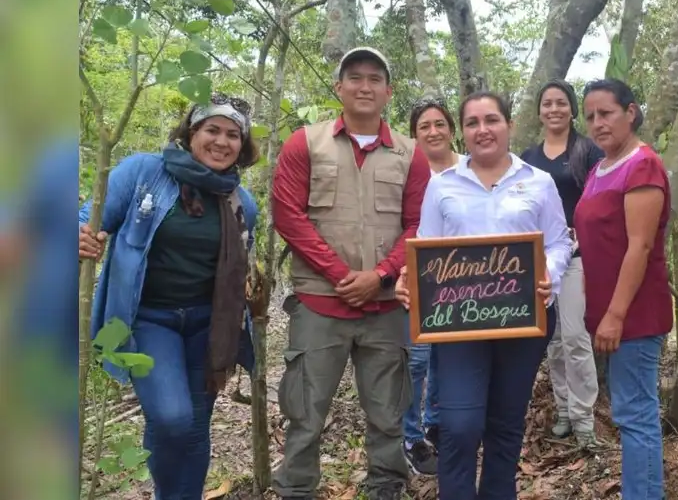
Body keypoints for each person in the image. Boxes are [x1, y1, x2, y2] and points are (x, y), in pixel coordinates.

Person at [78, 94, 260, 499]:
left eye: (233, 135)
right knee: (172, 418)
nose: (222, 141)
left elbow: (236, 275)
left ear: (242, 146)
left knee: (195, 429)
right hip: (147, 317)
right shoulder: (144, 172)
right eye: (212, 130)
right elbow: (92, 220)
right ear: (191, 133)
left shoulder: (242, 203)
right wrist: (80, 236)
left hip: (207, 325)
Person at [270, 47, 431, 500]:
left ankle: (387, 488)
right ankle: (297, 490)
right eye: (354, 78)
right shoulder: (305, 142)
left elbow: (419, 223)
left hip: (385, 307)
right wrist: (343, 275)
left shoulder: (410, 153)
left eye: (374, 79)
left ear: (388, 92)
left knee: (388, 412)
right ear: (339, 88)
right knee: (304, 413)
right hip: (319, 304)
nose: (364, 86)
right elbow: (288, 215)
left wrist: (380, 275)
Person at [395, 91, 572, 500]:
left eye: (491, 120)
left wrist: (551, 274)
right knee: (459, 425)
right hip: (460, 327)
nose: (482, 129)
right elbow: (426, 247)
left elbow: (560, 242)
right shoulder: (442, 186)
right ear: (464, 132)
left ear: (508, 125)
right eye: (473, 123)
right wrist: (411, 279)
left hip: (525, 320)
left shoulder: (538, 181)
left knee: (506, 424)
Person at [574, 79, 672, 500]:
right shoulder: (599, 169)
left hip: (634, 313)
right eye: (591, 116)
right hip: (607, 311)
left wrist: (614, 315)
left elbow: (641, 245)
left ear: (630, 112)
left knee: (635, 414)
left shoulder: (642, 165)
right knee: (629, 411)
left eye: (606, 113)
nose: (597, 123)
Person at [519, 79, 603, 445]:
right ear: (539, 111)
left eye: (561, 103)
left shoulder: (588, 151)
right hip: (539, 261)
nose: (554, 109)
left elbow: (600, 200)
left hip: (578, 259)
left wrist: (584, 235)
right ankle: (565, 409)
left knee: (574, 336)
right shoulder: (528, 158)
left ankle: (585, 419)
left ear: (571, 108)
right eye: (547, 103)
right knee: (552, 342)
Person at [399, 98, 461, 475]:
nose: (434, 131)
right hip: (418, 276)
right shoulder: (408, 170)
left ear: (451, 128)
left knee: (446, 356)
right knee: (417, 358)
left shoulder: (469, 169)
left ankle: (436, 422)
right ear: (414, 134)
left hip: (464, 281)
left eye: (440, 124)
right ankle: (411, 436)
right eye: (425, 126)